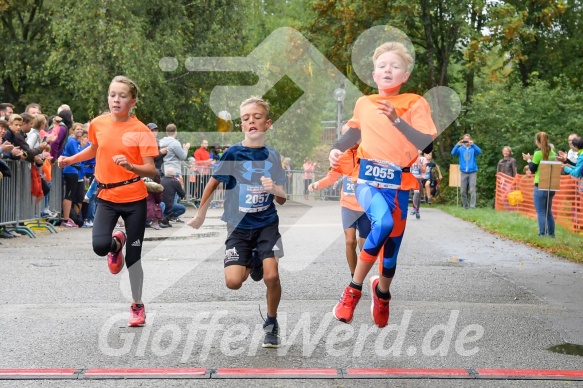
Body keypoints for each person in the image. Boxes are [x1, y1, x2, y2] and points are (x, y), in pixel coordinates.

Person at [329, 41, 437, 328]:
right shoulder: (364, 103)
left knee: (391, 252)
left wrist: (397, 120)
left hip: (399, 185)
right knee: (384, 224)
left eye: (395, 66)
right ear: (374, 75)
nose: (387, 70)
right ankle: (352, 291)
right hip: (368, 181)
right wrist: (337, 148)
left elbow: (426, 144)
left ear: (405, 75)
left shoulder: (415, 102)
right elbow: (354, 130)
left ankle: (383, 293)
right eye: (382, 66)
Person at [58, 75, 159, 327]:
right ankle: (116, 243)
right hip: (106, 196)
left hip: (134, 197)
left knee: (134, 258)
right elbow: (95, 148)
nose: (116, 99)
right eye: (112, 94)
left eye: (122, 96)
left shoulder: (141, 131)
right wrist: (71, 160)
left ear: (132, 101)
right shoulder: (99, 123)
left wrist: (131, 165)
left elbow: (151, 171)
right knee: (100, 246)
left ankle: (137, 306)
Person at [187, 97, 287, 348]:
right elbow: (213, 183)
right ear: (241, 125)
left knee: (272, 276)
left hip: (267, 224)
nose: (251, 121)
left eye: (256, 117)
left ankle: (272, 323)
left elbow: (283, 198)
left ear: (268, 123)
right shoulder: (233, 152)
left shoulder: (273, 155)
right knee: (233, 282)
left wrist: (274, 187)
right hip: (238, 226)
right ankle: (252, 261)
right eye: (245, 118)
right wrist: (200, 214)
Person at [308, 138, 369, 277]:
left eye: (355, 135)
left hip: (365, 207)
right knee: (350, 241)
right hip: (347, 205)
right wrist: (317, 184)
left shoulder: (368, 154)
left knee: (364, 247)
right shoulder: (341, 157)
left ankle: (361, 272)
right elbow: (331, 177)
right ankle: (354, 278)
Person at [522, 132, 556, 237]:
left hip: (540, 184)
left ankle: (542, 234)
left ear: (537, 141)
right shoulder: (552, 153)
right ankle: (551, 234)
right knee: (548, 211)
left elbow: (532, 169)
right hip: (551, 184)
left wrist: (528, 159)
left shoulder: (538, 153)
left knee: (541, 211)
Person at [451, 134, 481, 209]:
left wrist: (473, 144)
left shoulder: (473, 149)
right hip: (464, 171)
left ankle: (472, 206)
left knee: (472, 189)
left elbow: (479, 151)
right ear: (463, 140)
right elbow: (453, 153)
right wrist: (457, 145)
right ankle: (465, 206)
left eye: (468, 139)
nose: (466, 141)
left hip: (472, 171)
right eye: (465, 139)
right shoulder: (461, 149)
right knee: (463, 191)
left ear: (470, 140)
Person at [409, 150, 426, 219]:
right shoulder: (410, 157)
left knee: (418, 194)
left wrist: (419, 163)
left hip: (419, 178)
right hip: (411, 178)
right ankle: (414, 208)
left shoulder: (423, 159)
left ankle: (417, 209)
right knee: (416, 193)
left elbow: (424, 170)